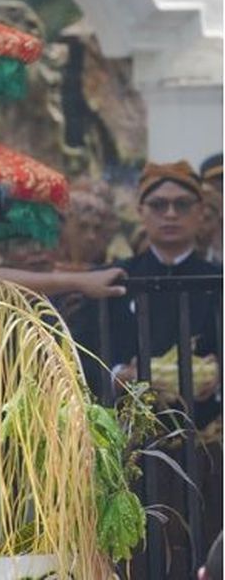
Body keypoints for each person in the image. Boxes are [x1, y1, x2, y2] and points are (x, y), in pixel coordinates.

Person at [89, 161, 222, 579]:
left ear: (201, 213)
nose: (170, 214)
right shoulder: (116, 279)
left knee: (206, 540)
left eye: (182, 205)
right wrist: (118, 375)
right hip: (133, 450)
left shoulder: (218, 278)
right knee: (141, 552)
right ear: (141, 212)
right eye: (159, 204)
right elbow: (87, 351)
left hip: (208, 443)